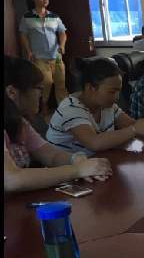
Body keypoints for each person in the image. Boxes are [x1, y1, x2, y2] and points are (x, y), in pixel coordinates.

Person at [4, 56, 111, 192]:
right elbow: (12, 179)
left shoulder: (21, 124)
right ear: (12, 92)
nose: (41, 95)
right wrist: (77, 170)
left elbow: (51, 155)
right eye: (38, 88)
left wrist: (76, 159)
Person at [47, 57, 144, 155]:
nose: (117, 97)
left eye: (118, 91)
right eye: (112, 92)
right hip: (67, 168)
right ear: (90, 88)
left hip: (94, 163)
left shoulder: (107, 106)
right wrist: (134, 129)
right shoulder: (70, 109)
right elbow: (94, 143)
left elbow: (131, 124)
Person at [18, 0, 68, 115]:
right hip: (39, 57)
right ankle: (44, 104)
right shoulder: (27, 17)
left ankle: (64, 110)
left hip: (56, 56)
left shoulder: (54, 16)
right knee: (46, 82)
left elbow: (62, 32)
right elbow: (23, 35)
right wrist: (28, 51)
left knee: (61, 82)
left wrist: (62, 45)